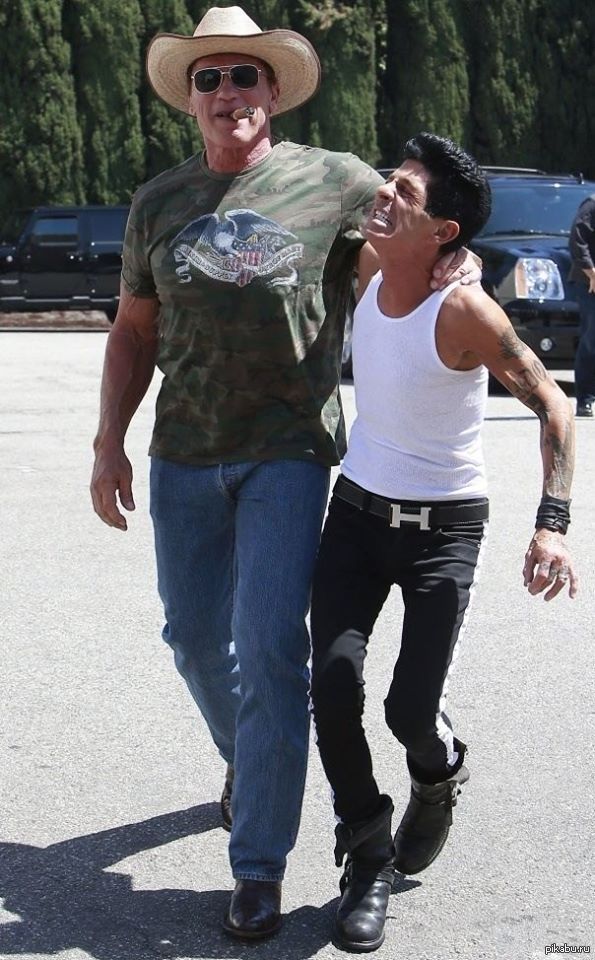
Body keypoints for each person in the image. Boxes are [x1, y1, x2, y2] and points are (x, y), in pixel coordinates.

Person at [89, 7, 478, 940]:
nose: (227, 92)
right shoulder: (159, 201)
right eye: (209, 78)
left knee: (269, 651)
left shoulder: (334, 180)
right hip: (184, 452)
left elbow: (412, 227)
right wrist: (108, 441)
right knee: (192, 639)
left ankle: (256, 864)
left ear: (272, 91)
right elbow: (134, 330)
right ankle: (254, 758)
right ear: (191, 98)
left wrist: (456, 259)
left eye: (244, 76)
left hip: (290, 452)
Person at [309, 133, 579, 953]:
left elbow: (553, 403)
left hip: (442, 531)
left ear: (444, 233)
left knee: (407, 712)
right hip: (356, 515)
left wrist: (552, 524)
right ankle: (366, 854)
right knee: (332, 686)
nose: (384, 196)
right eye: (388, 181)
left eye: (406, 194)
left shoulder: (462, 309)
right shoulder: (364, 264)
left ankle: (438, 770)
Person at [569, 193, 595, 417]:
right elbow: (578, 239)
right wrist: (591, 271)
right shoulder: (592, 204)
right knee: (592, 339)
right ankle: (585, 399)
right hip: (589, 283)